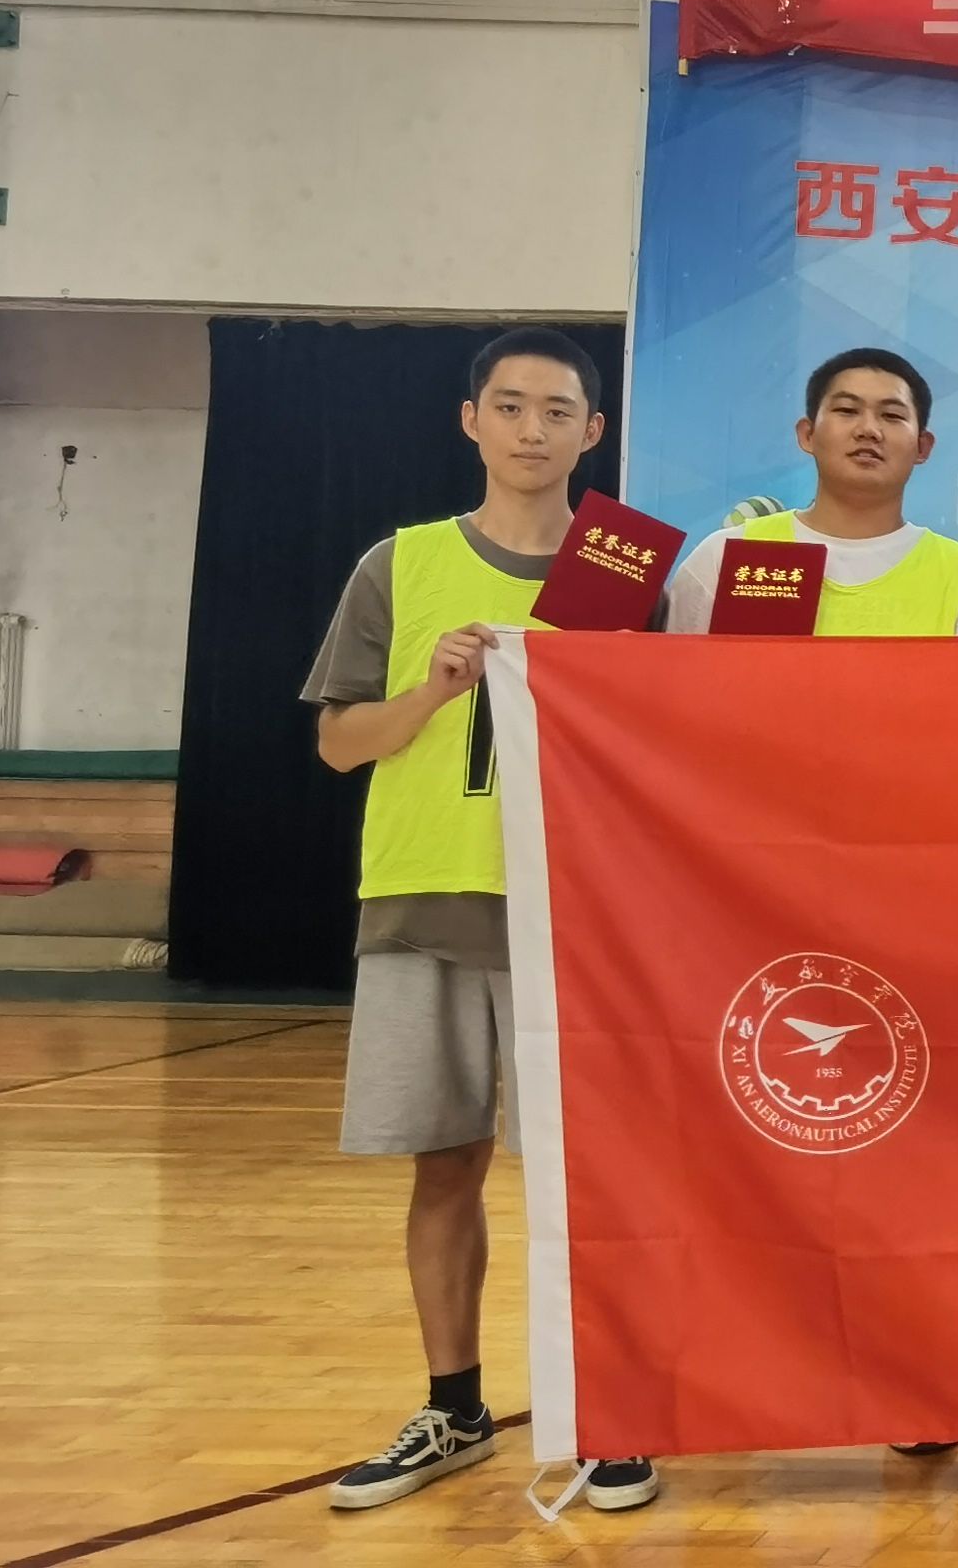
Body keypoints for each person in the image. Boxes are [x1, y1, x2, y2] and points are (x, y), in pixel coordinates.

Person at [304, 328, 659, 1513]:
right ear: (472, 421)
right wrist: (432, 687)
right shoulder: (398, 564)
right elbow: (339, 743)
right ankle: (453, 1407)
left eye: (557, 411)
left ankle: (610, 1411)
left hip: (579, 913)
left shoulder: (624, 573)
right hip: (426, 899)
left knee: (588, 1176)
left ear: (592, 431)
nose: (531, 429)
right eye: (509, 406)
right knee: (444, 1161)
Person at [664, 347, 958, 638]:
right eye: (847, 411)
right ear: (807, 435)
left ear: (922, 447)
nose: (869, 430)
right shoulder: (724, 557)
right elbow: (676, 686)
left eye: (892, 416)